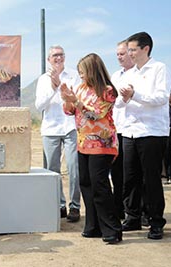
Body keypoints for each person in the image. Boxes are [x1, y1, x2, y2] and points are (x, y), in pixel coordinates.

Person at [116, 32, 171, 240]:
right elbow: (120, 103)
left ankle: (155, 220)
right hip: (131, 131)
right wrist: (123, 98)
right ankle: (132, 216)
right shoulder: (130, 73)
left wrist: (135, 95)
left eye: (132, 49)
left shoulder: (159, 69)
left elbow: (160, 98)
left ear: (145, 49)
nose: (129, 53)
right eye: (128, 50)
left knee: (151, 179)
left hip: (152, 132)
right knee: (130, 177)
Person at [61, 53, 122, 244]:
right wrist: (68, 99)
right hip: (83, 143)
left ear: (92, 70)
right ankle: (93, 226)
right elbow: (69, 111)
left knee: (100, 185)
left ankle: (112, 229)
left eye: (83, 72)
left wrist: (76, 102)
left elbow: (96, 115)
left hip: (102, 144)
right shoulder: (80, 88)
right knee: (86, 183)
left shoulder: (108, 91)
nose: (81, 76)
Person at [35, 45, 81, 222]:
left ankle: (74, 206)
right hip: (50, 128)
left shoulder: (73, 75)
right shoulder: (43, 80)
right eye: (55, 55)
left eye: (61, 54)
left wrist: (64, 92)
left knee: (73, 167)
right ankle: (59, 204)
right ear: (49, 59)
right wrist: (53, 88)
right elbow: (39, 106)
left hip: (70, 127)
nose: (58, 58)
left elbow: (77, 100)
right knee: (52, 170)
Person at [110, 40, 134, 220]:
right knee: (117, 173)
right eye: (117, 54)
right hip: (116, 130)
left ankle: (136, 210)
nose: (119, 57)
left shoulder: (138, 74)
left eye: (123, 53)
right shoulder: (115, 75)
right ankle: (118, 209)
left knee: (132, 174)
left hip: (132, 130)